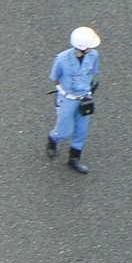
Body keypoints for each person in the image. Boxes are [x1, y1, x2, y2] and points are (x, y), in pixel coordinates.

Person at [45, 27, 101, 174]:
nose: (92, 48)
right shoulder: (61, 59)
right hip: (68, 99)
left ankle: (74, 158)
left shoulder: (93, 55)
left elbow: (92, 73)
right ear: (81, 47)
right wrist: (63, 91)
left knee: (81, 130)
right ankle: (53, 139)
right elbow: (55, 78)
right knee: (64, 130)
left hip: (84, 98)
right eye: (89, 46)